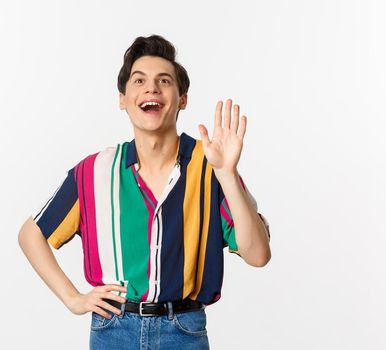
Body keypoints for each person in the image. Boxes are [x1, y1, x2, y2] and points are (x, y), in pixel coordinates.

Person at [17, 34, 271, 349]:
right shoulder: (94, 171)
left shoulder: (212, 166)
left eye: (164, 81)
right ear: (122, 98)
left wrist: (228, 175)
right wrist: (73, 299)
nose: (151, 88)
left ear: (182, 99)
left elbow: (258, 254)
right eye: (139, 81)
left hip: (183, 331)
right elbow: (31, 235)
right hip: (113, 330)